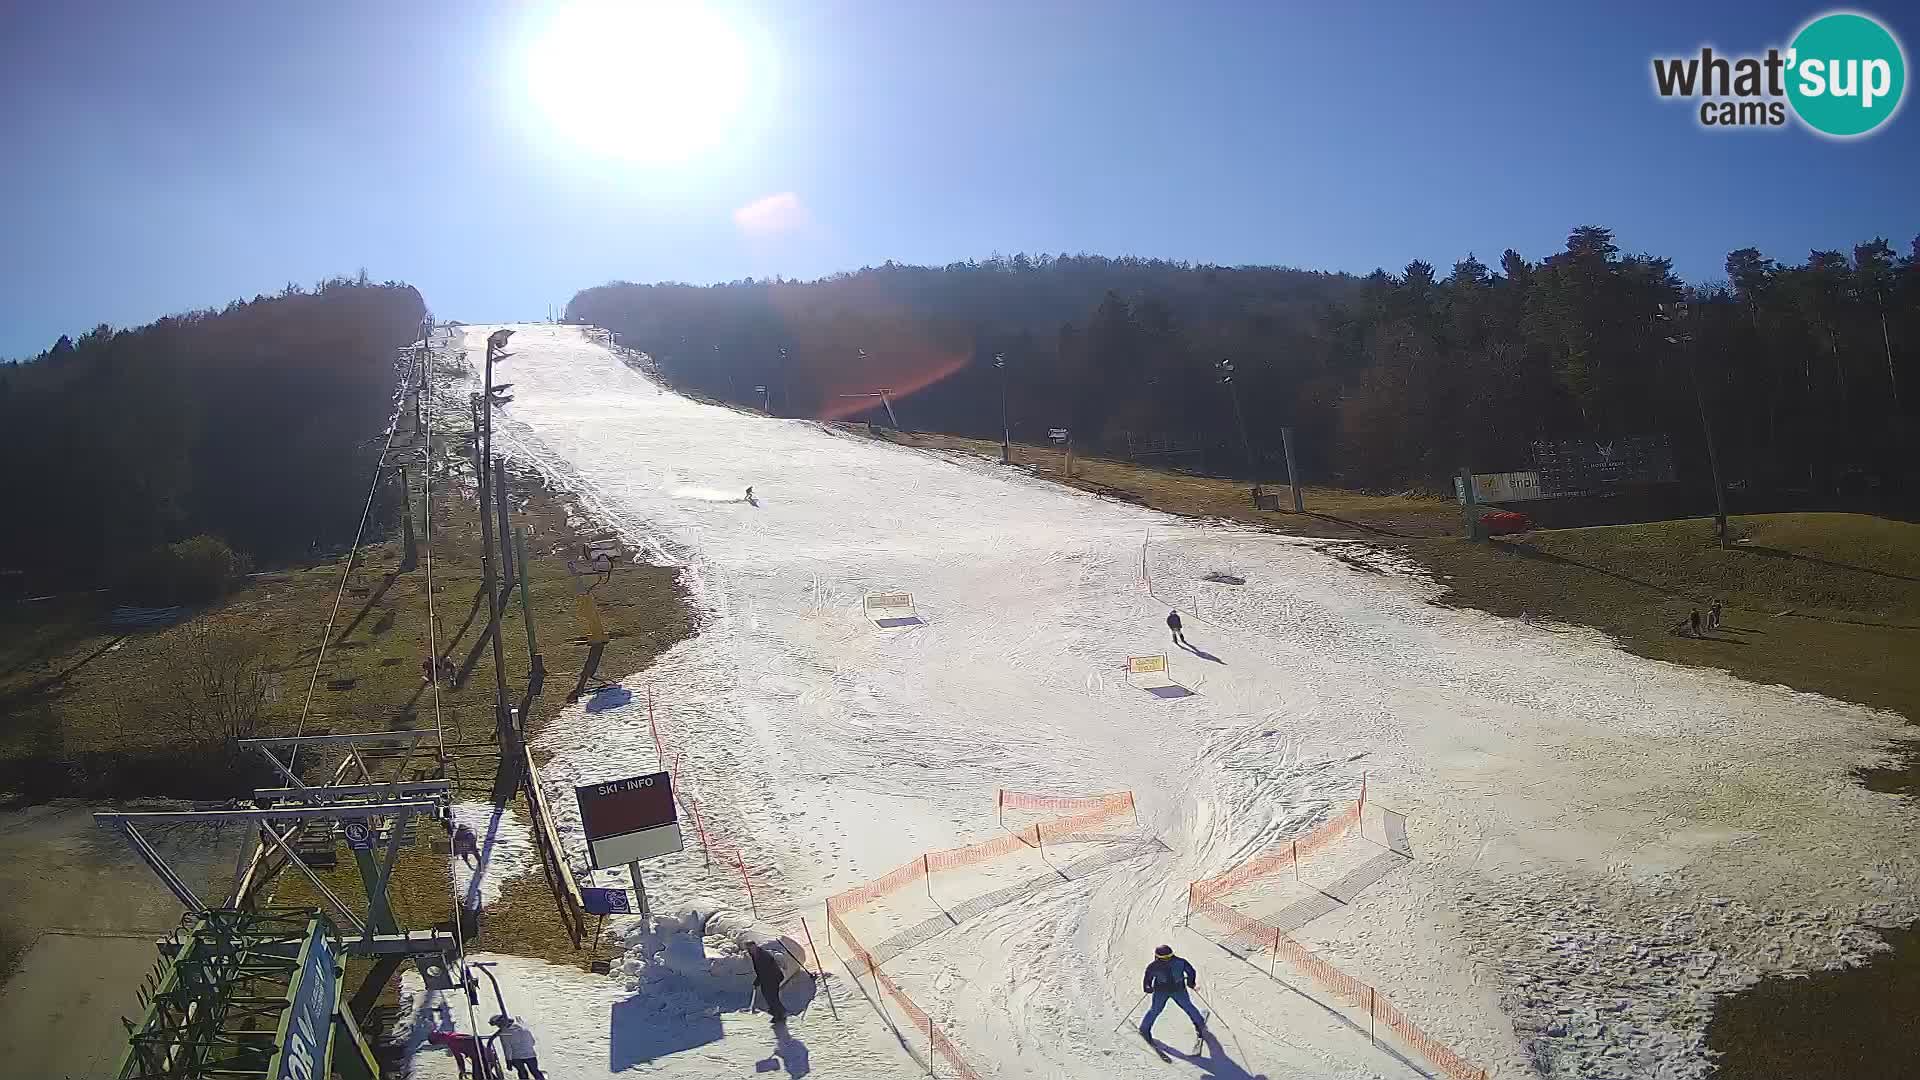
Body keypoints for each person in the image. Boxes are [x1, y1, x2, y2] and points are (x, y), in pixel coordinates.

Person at [1139, 944, 1206, 1042]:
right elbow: (1148, 978)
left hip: (1174, 990)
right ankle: (1145, 1029)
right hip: (1165, 991)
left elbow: (1191, 971)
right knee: (1185, 1006)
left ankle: (1199, 1024)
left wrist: (1191, 983)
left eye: (1167, 958)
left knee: (1185, 1006)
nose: (1166, 960)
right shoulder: (1176, 962)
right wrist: (1147, 987)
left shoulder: (1156, 965)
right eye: (1165, 958)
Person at [490, 1015, 545, 1080]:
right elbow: (532, 1042)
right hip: (530, 1055)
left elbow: (507, 1049)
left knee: (522, 1073)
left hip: (516, 1057)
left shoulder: (504, 1033)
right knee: (535, 1071)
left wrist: (508, 1062)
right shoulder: (523, 1027)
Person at [747, 941, 788, 1022]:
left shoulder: (762, 955)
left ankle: (780, 1013)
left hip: (773, 976)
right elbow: (760, 970)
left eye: (752, 947)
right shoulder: (754, 955)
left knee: (771, 996)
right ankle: (775, 1010)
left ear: (755, 946)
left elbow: (765, 970)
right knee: (767, 994)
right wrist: (759, 979)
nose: (751, 949)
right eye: (749, 948)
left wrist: (758, 980)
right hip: (767, 978)